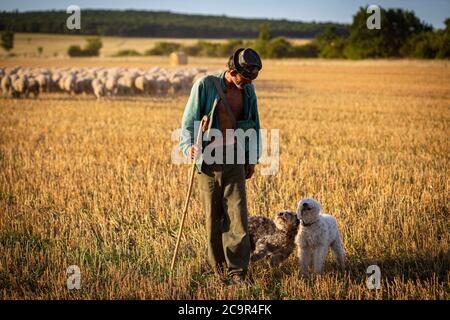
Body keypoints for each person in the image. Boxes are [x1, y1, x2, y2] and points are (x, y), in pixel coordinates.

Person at [180, 48, 262, 285]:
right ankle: (216, 267)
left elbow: (254, 124)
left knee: (237, 216)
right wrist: (189, 148)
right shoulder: (205, 85)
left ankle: (237, 271)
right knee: (213, 216)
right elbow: (188, 121)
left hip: (235, 158)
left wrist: (251, 158)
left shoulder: (248, 91)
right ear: (232, 71)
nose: (247, 83)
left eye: (251, 80)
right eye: (244, 78)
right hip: (208, 159)